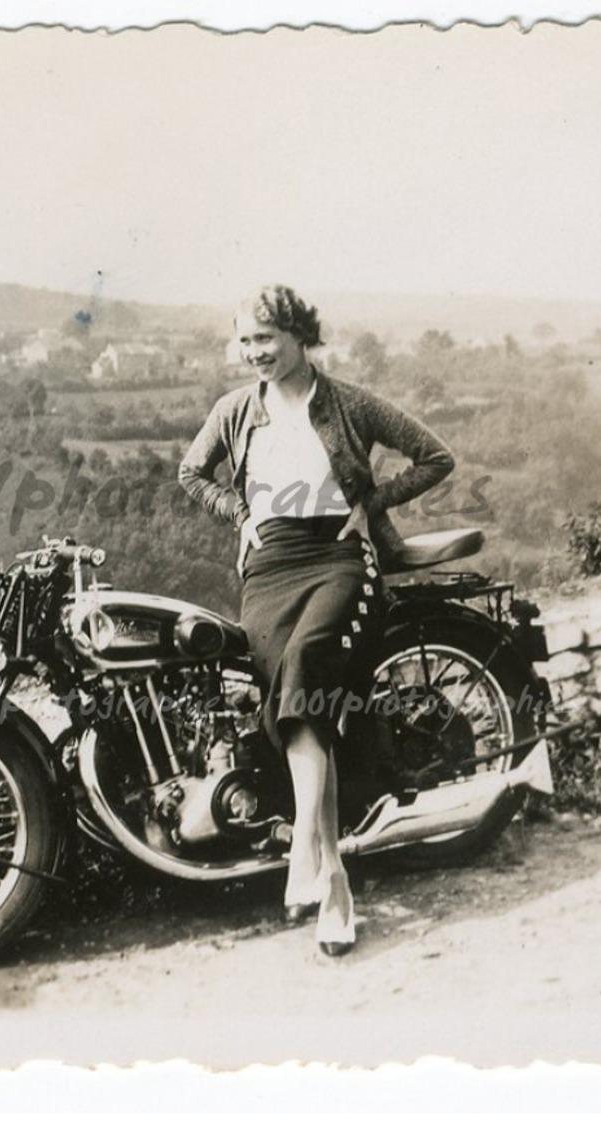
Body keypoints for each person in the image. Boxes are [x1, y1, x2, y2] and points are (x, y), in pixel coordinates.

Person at [178, 285, 455, 956]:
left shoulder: (349, 403)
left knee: (306, 672)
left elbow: (436, 457)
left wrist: (371, 506)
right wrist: (240, 517)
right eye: (245, 341)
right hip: (269, 569)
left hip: (339, 559)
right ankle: (333, 885)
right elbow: (191, 474)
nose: (255, 353)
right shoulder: (234, 410)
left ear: (301, 336)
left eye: (267, 338)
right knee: (303, 712)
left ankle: (305, 852)